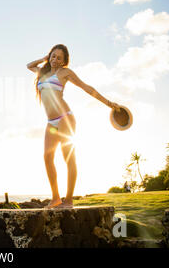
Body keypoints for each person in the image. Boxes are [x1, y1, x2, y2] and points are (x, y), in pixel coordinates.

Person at [27, 44, 121, 208]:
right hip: (51, 122)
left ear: (64, 61)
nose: (55, 60)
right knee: (47, 158)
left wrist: (109, 103)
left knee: (68, 158)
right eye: (53, 56)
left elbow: (87, 88)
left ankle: (69, 200)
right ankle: (56, 197)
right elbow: (29, 66)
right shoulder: (42, 72)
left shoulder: (65, 73)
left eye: (59, 58)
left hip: (65, 118)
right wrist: (44, 58)